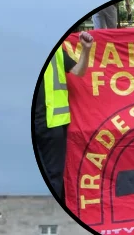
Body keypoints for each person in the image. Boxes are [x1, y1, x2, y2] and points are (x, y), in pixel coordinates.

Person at [33, 30, 94, 200]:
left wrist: (86, 49)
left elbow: (79, 71)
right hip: (44, 123)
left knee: (53, 176)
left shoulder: (56, 50)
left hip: (52, 123)